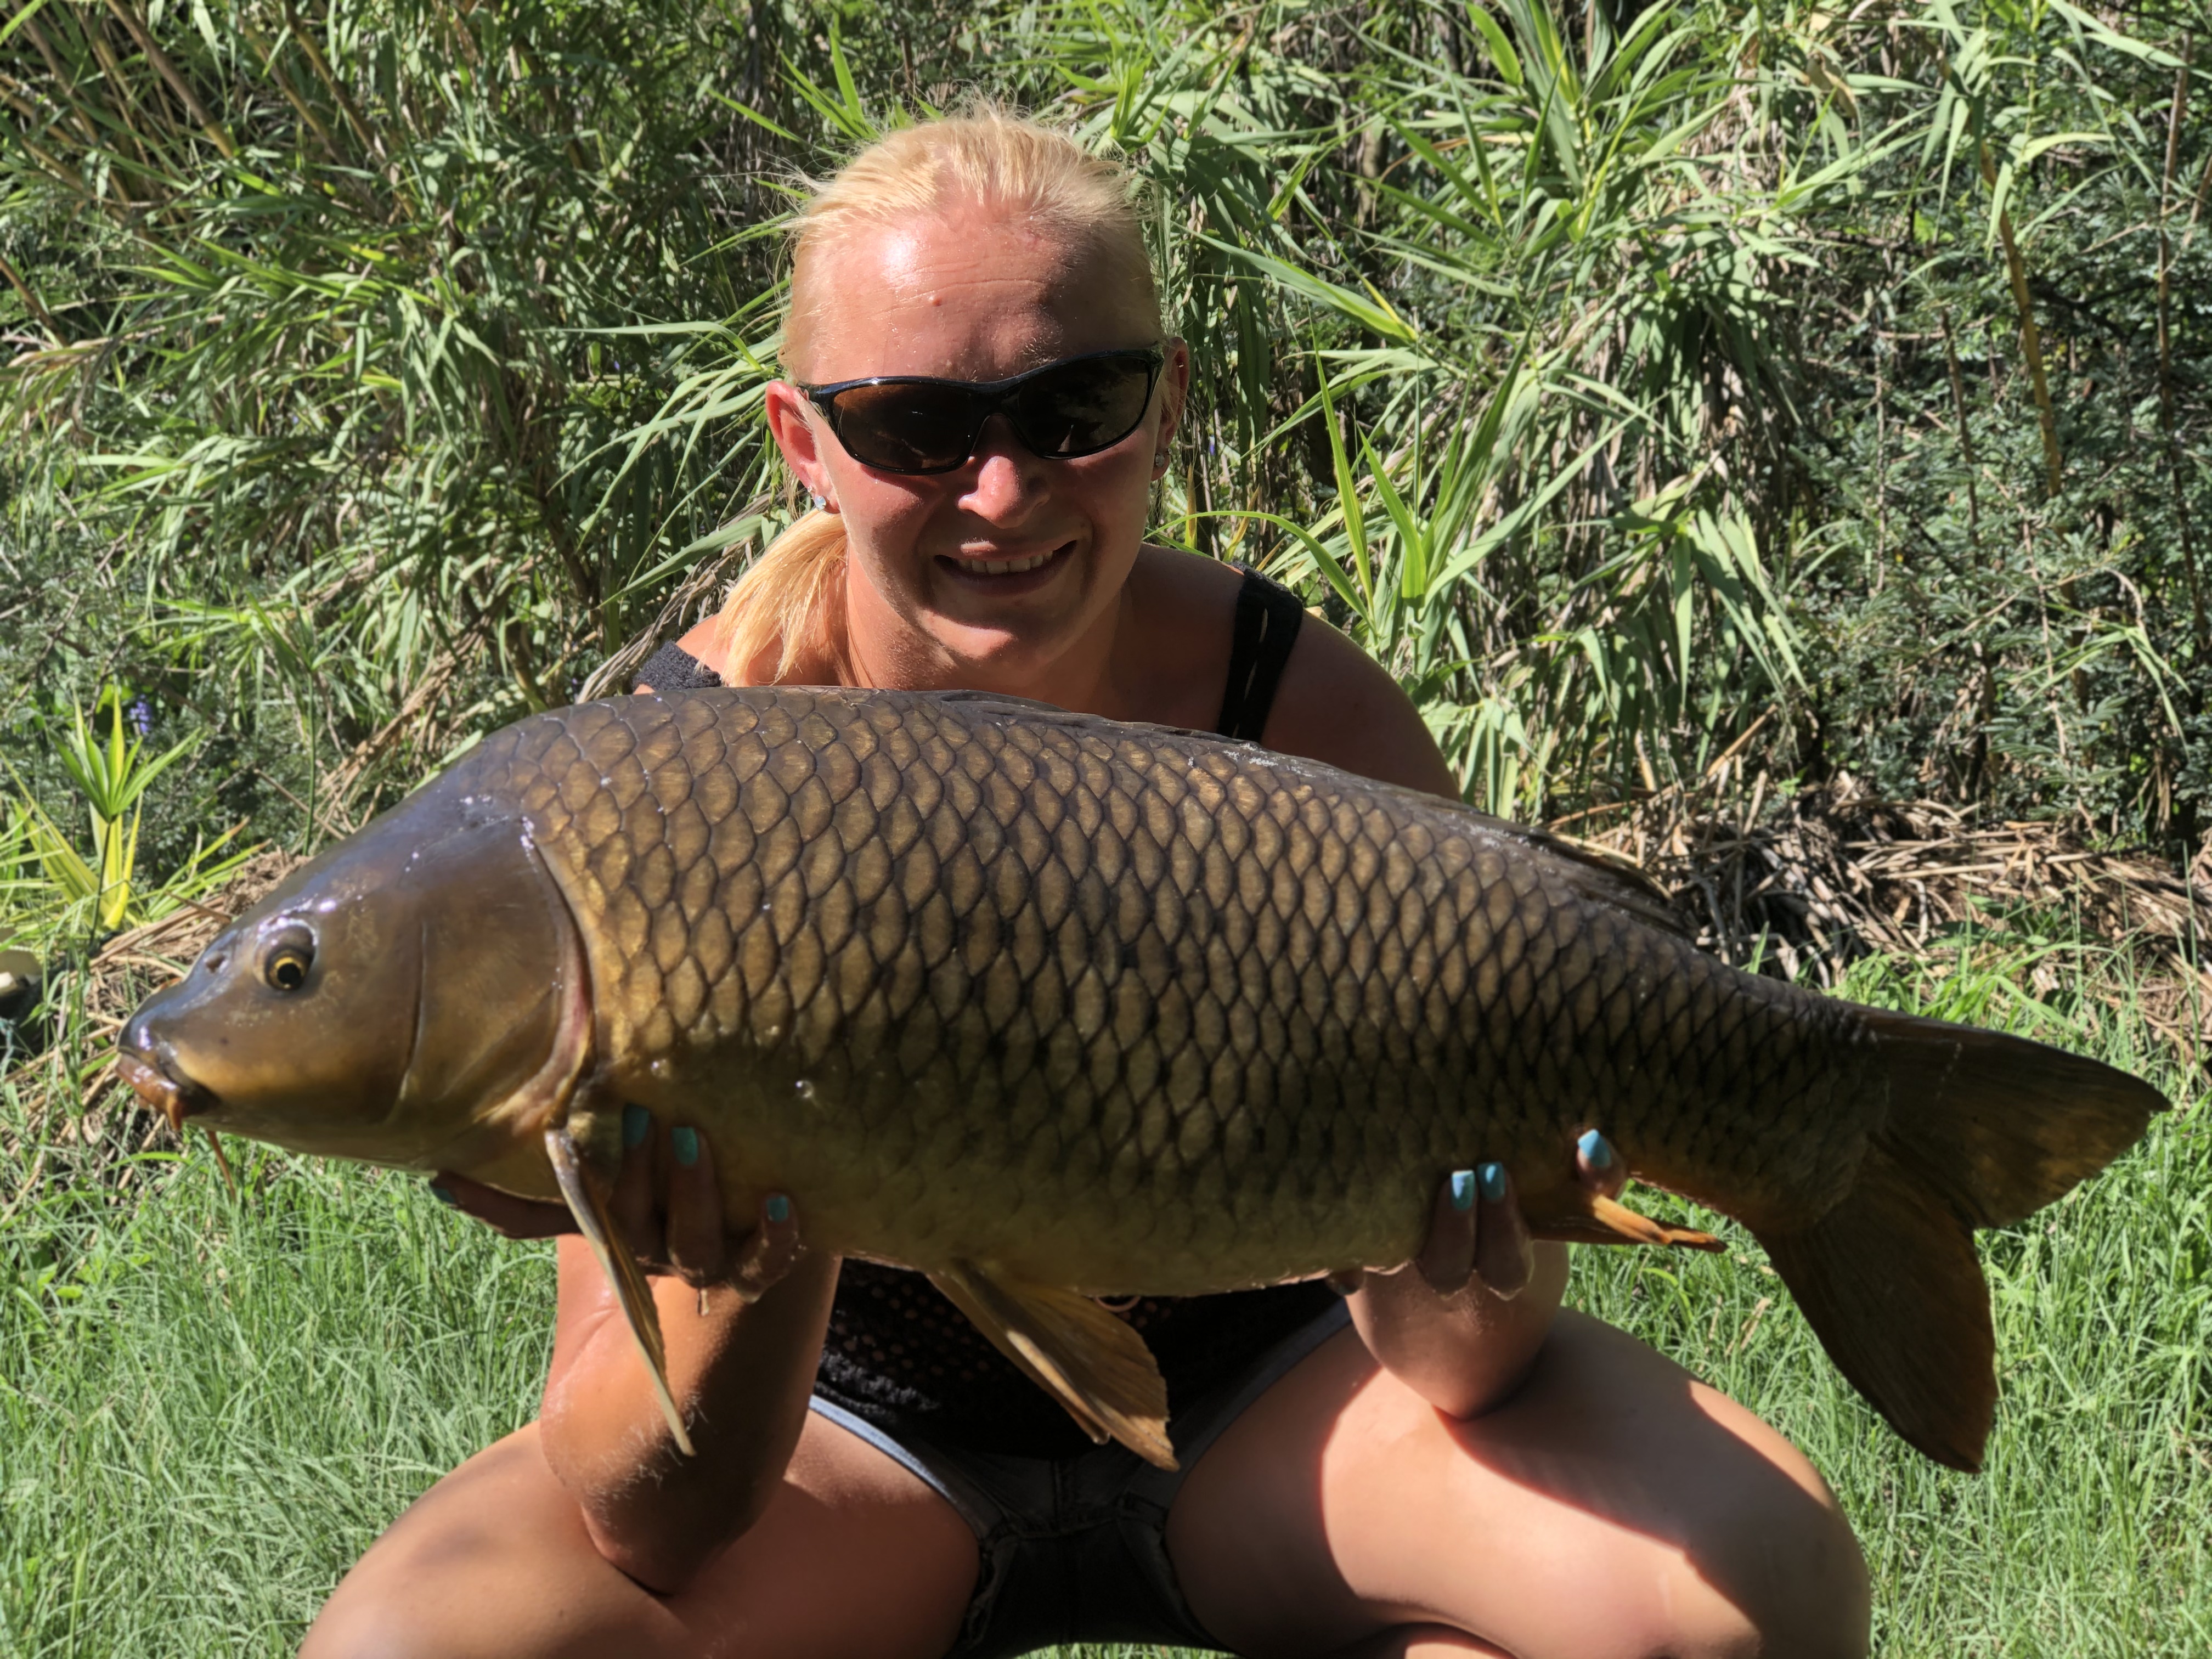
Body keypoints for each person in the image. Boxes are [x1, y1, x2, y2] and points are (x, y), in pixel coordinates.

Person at [301, 110, 1869, 1659]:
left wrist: (1459, 1248)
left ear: (1166, 402)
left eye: (1075, 407)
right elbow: (650, 1521)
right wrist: (755, 1237)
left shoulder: (1297, 708)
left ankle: (1863, 1141)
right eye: (912, 427)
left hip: (1275, 1412)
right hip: (862, 1459)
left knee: (1748, 1601)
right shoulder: (659, 799)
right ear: (804, 444)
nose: (1001, 490)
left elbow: (1460, 1373)